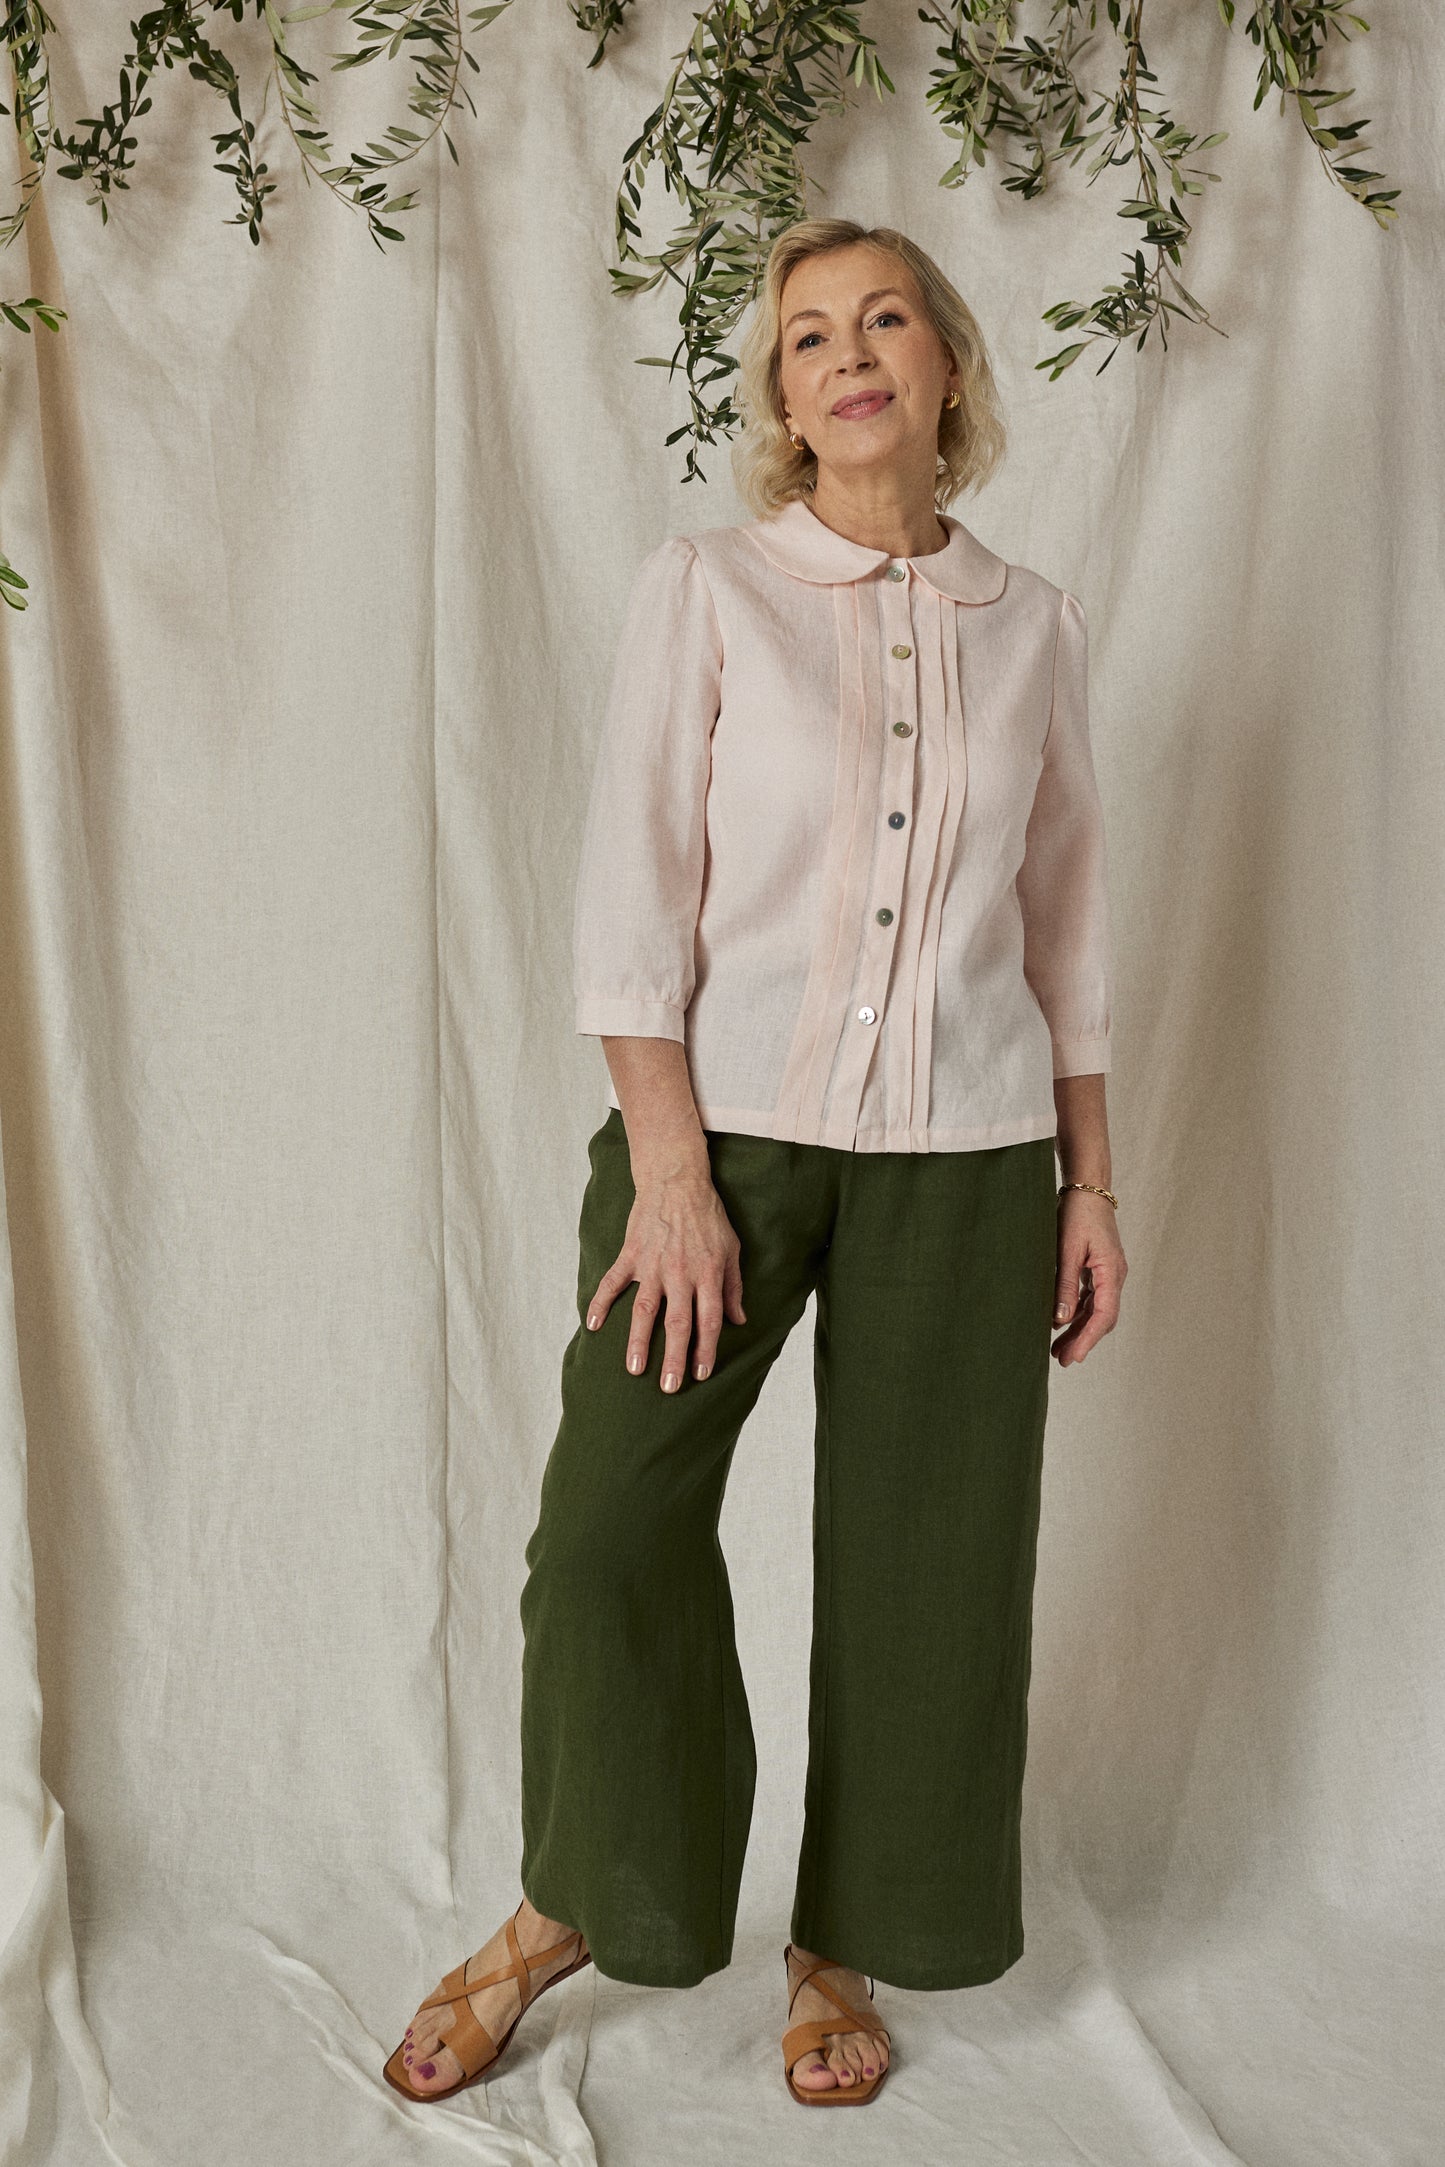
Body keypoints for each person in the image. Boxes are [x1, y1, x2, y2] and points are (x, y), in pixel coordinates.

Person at [385, 215, 1127, 2110]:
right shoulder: (710, 587)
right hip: (712, 1142)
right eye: (807, 336)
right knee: (608, 1526)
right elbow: (632, 886)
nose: (849, 351)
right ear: (784, 405)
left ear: (946, 367)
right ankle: (575, 1902)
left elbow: (1067, 929)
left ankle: (838, 1936)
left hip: (970, 1155)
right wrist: (668, 1171)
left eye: (885, 318)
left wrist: (1090, 1185)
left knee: (929, 1569)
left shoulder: (1029, 621)